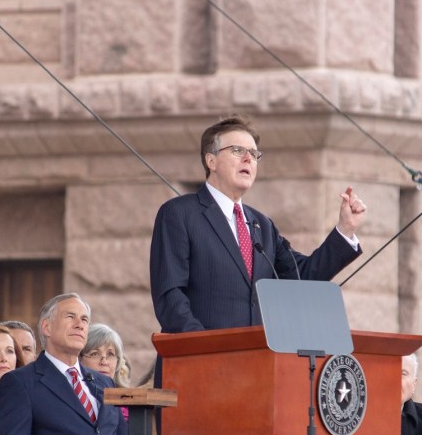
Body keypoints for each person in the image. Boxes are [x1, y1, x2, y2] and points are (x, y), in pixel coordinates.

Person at [150, 114, 367, 333]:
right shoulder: (179, 214)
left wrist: (345, 229)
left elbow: (304, 276)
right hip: (201, 360)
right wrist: (205, 348)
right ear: (211, 161)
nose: (248, 159)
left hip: (255, 361)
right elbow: (170, 296)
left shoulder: (261, 225)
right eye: (237, 151)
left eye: (254, 154)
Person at [0, 293, 128, 435]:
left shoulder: (104, 382)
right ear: (46, 327)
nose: (80, 324)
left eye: (84, 319)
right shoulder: (20, 382)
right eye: (70, 317)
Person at [80, 324, 131, 420]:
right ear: (79, 360)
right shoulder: (71, 399)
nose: (104, 362)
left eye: (110, 354)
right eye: (94, 354)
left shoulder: (132, 405)